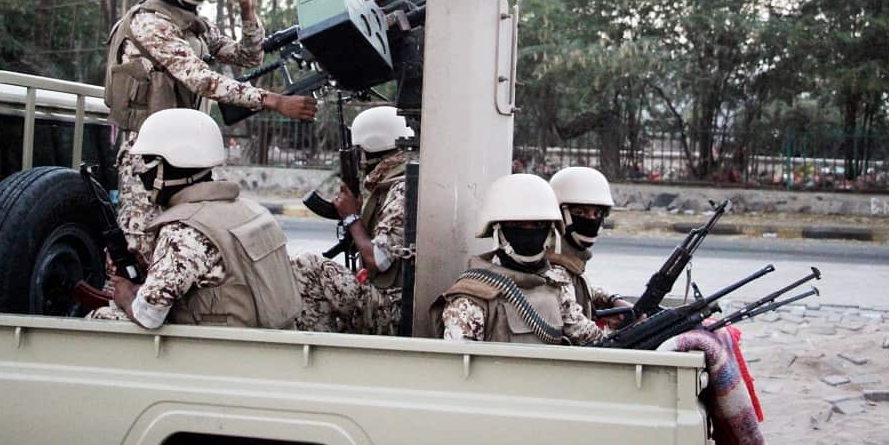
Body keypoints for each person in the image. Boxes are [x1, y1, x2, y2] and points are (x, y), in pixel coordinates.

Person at [104, 0, 317, 262]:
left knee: (188, 244)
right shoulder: (150, 23)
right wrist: (273, 100)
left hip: (184, 154)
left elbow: (248, 55)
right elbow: (202, 80)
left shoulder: (194, 25)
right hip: (145, 155)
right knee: (140, 249)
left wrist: (248, 12)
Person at [88, 108, 301, 329]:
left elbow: (148, 315)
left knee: (102, 317)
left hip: (221, 351)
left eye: (149, 163)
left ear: (172, 165)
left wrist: (125, 296)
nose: (142, 174)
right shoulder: (251, 210)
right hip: (268, 341)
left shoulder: (184, 230)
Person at [431, 173, 614, 345]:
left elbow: (589, 337)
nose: (529, 232)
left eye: (538, 224)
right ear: (498, 230)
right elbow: (459, 369)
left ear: (551, 231)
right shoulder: (470, 301)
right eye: (517, 225)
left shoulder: (555, 286)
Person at [291, 106, 413, 335]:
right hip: (390, 299)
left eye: (359, 151)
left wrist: (351, 218)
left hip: (394, 309)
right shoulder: (396, 181)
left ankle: (318, 350)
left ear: (370, 149)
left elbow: (379, 259)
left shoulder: (401, 187)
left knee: (306, 266)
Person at [548, 166, 632, 321]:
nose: (591, 219)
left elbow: (579, 287)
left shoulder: (569, 258)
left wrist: (612, 299)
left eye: (597, 213)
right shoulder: (554, 266)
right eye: (581, 213)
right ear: (560, 214)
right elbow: (574, 327)